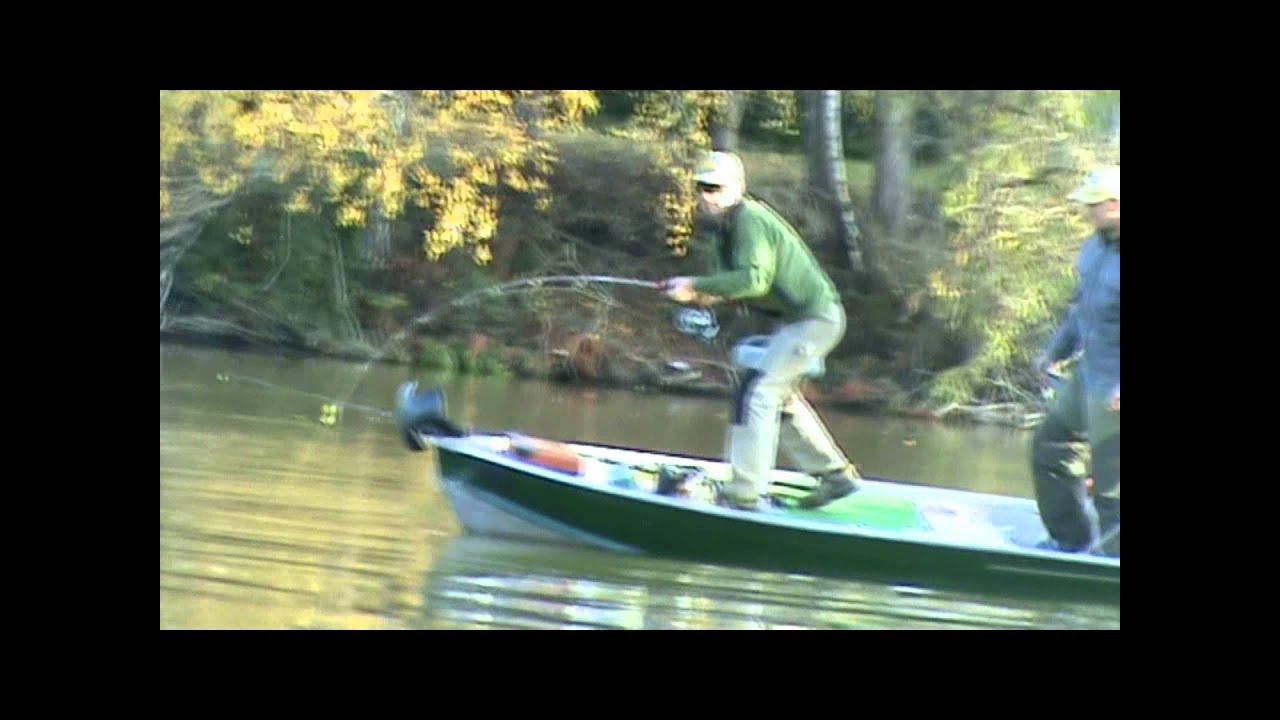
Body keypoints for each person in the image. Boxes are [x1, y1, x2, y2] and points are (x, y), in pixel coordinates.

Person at [660, 151, 859, 511]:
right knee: (776, 398)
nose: (707, 196)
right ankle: (836, 478)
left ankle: (744, 495)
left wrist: (696, 282)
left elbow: (755, 279)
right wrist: (696, 292)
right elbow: (730, 286)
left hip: (816, 320)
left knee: (757, 392)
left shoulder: (749, 219)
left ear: (737, 188)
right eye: (702, 188)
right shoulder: (722, 231)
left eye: (715, 188)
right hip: (797, 323)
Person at [1030, 165, 1120, 556]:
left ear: (1116, 205)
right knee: (1050, 447)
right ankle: (1071, 539)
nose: (1086, 212)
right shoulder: (1095, 247)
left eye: (1093, 205)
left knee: (1112, 479)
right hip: (1089, 374)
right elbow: (1080, 310)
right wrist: (1053, 352)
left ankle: (1111, 561)